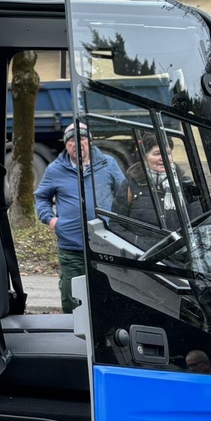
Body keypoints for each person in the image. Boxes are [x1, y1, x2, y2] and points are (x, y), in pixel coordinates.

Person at [34, 121, 125, 312]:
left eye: (82, 138)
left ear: (89, 141)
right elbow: (41, 198)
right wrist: (51, 219)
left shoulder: (108, 164)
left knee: (106, 298)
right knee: (72, 299)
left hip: (105, 245)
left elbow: (124, 196)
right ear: (66, 145)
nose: (77, 144)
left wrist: (120, 224)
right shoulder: (55, 170)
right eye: (71, 141)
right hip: (71, 247)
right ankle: (71, 329)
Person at [112, 130, 190, 250]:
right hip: (142, 255)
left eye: (167, 153)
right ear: (144, 156)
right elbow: (115, 224)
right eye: (157, 153)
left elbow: (196, 224)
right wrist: (138, 245)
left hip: (178, 255)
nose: (163, 158)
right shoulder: (130, 185)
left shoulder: (184, 184)